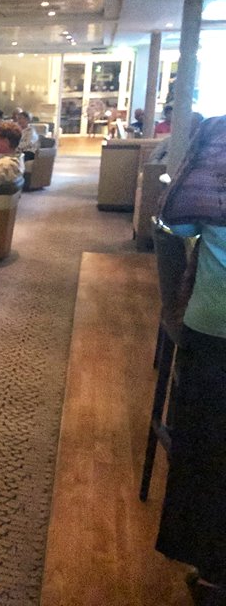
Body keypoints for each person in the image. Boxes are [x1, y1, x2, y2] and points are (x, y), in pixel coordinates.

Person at [155, 115, 226, 606]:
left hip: (214, 328)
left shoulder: (218, 140)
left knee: (207, 455)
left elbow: (174, 221)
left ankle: (212, 574)